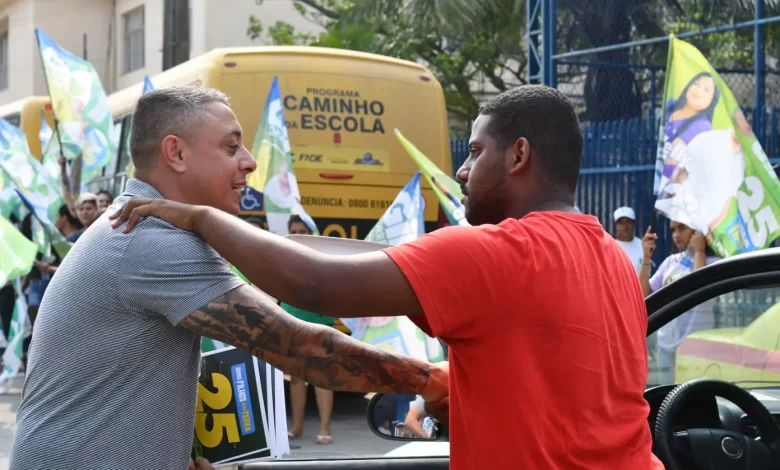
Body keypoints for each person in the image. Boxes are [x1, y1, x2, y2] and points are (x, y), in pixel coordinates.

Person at [111, 85, 663, 470]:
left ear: (518, 155)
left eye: (474, 151)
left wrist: (205, 219)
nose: (463, 171)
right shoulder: (613, 257)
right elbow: (375, 256)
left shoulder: (500, 254)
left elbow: (316, 284)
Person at [9, 86, 448, 470]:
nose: (251, 162)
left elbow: (296, 258)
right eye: (231, 147)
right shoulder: (151, 240)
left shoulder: (146, 225)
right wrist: (436, 380)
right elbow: (306, 350)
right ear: (175, 153)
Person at [283, 215, 348, 445]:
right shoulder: (283, 255)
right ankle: (297, 427)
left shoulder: (323, 257)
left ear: (312, 233)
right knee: (296, 378)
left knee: (322, 378)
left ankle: (324, 429)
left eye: (303, 231)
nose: (299, 235)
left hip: (320, 325)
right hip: (291, 322)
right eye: (294, 231)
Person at [640, 221, 720, 384]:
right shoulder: (671, 262)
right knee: (667, 399)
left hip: (696, 347)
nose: (676, 234)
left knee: (694, 400)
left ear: (698, 230)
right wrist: (646, 258)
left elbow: (700, 292)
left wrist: (699, 252)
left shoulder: (713, 263)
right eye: (672, 230)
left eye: (682, 228)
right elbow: (643, 294)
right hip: (666, 346)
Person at [613, 206, 644, 274]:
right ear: (616, 225)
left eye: (628, 221)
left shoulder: (643, 245)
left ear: (633, 224)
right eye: (621, 222)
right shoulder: (610, 247)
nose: (625, 225)